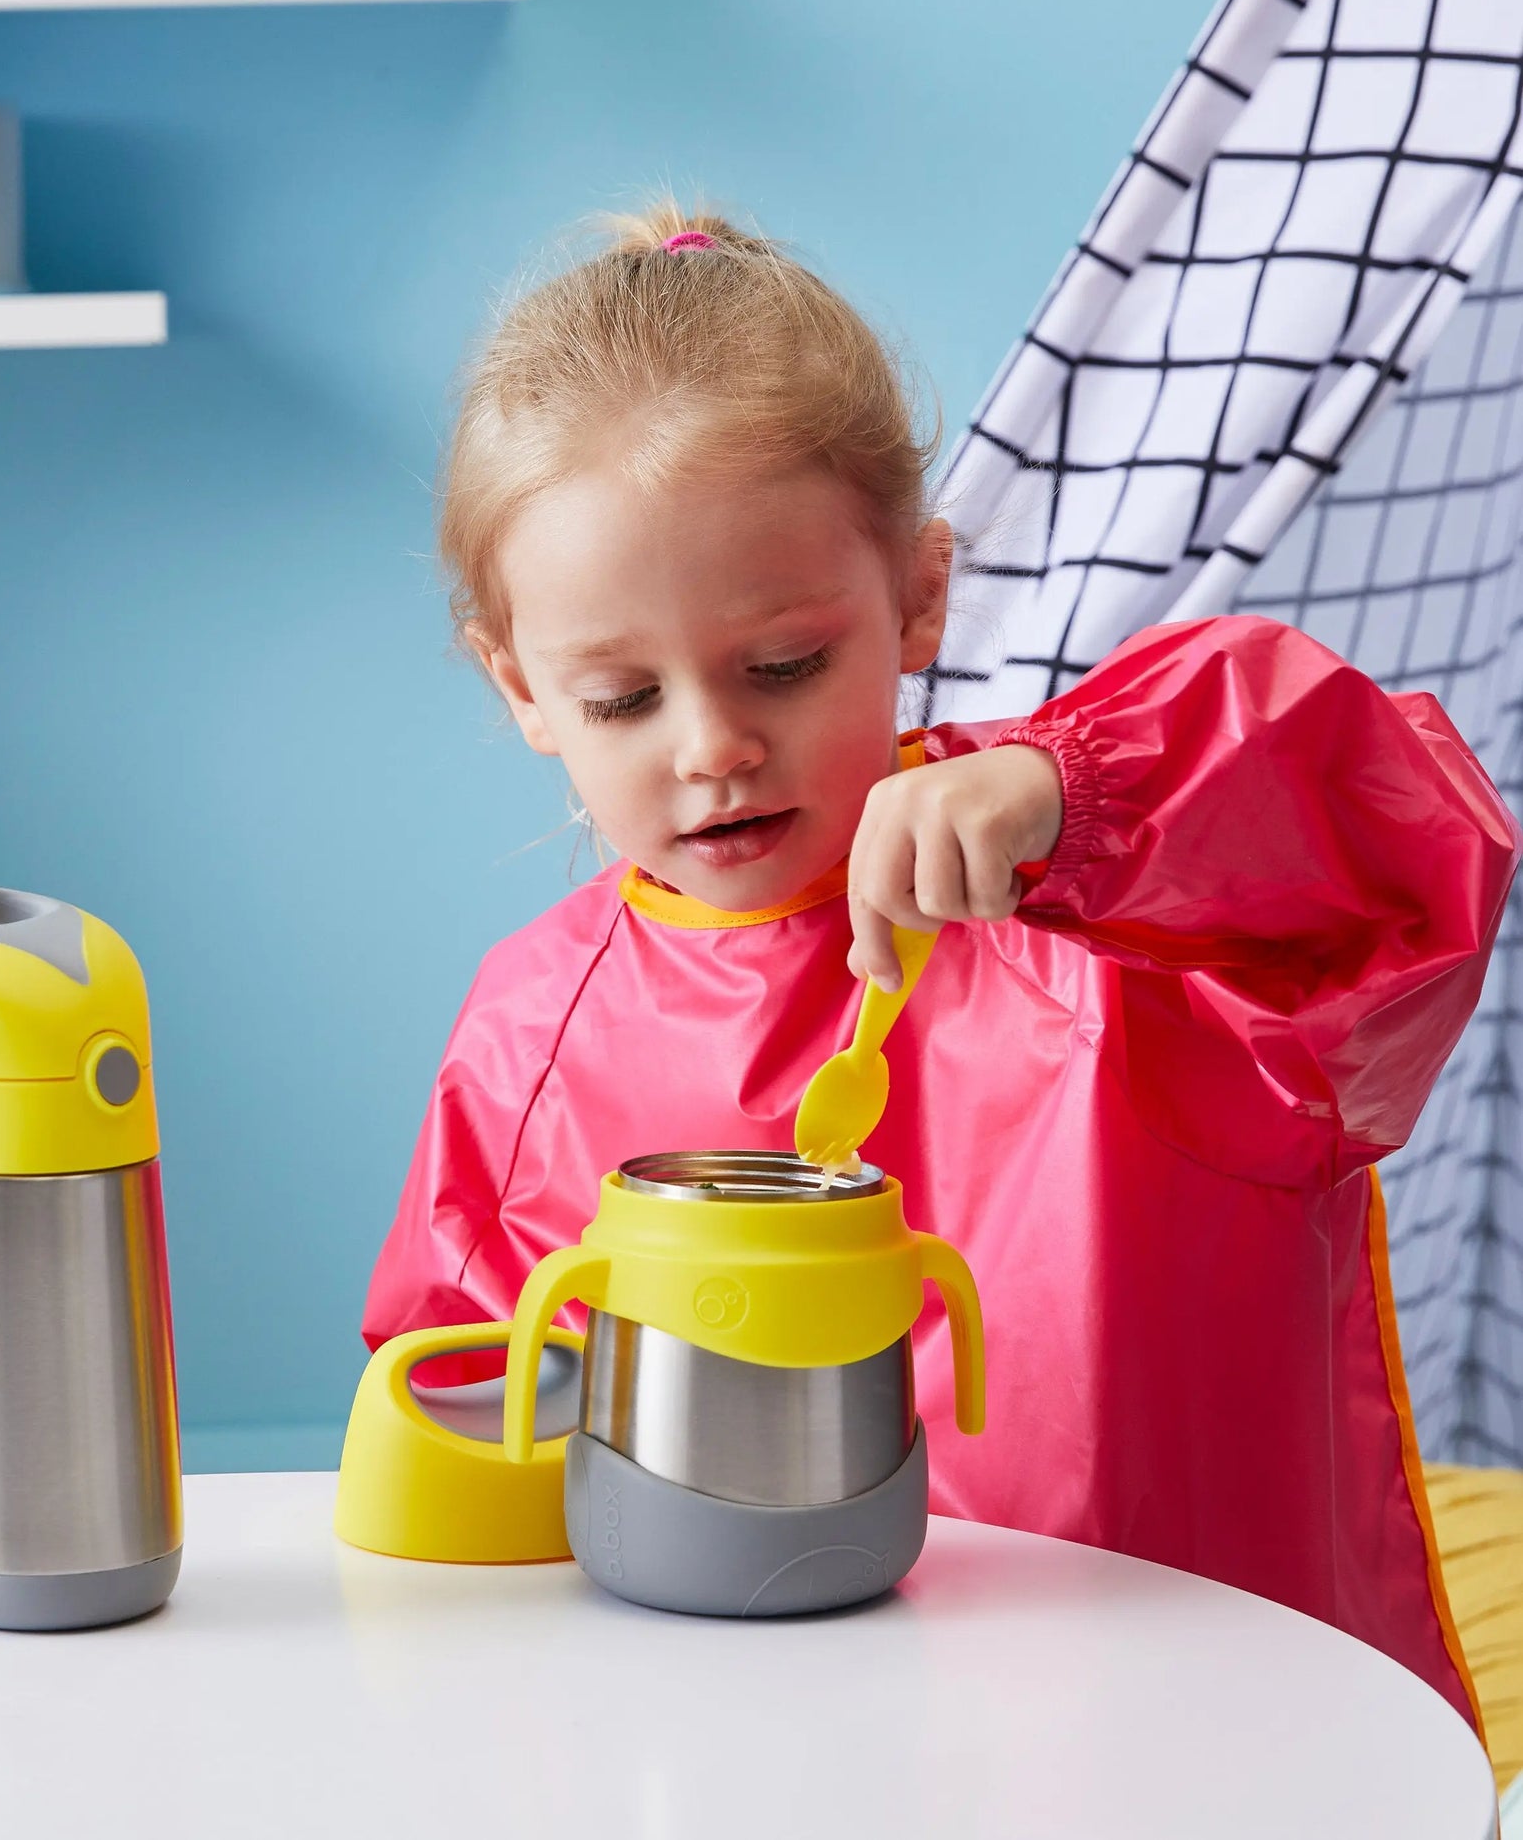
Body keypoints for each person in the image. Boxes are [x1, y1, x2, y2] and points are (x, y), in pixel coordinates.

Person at [362, 204, 1518, 1729]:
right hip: (759, 1755)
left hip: (1200, 1736)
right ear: (522, 687)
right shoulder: (529, 1024)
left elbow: (1400, 837)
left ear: (916, 596)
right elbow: (461, 1424)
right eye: (624, 694)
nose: (712, 746)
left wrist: (1079, 795)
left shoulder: (1123, 917)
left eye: (783, 663)